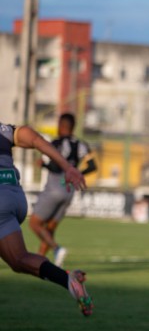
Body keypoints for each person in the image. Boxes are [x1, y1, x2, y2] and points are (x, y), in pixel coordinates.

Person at [0, 120, 93, 316]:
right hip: (13, 196)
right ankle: (67, 279)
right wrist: (68, 167)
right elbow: (34, 138)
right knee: (18, 259)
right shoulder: (5, 129)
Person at [29, 112, 97, 267]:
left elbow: (55, 165)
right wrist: (77, 174)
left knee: (34, 224)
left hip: (54, 188)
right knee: (50, 228)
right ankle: (40, 261)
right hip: (69, 191)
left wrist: (43, 164)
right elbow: (93, 166)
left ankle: (57, 248)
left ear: (62, 125)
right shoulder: (82, 144)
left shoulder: (57, 143)